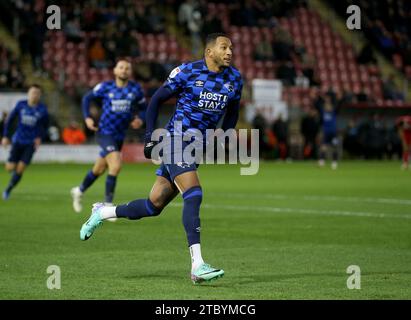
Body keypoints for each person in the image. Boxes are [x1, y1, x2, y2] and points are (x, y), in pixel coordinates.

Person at [78, 33, 243, 284]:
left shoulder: (235, 79)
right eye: (224, 47)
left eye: (231, 47)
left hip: (196, 148)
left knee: (153, 205)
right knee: (194, 193)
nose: (230, 52)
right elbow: (155, 100)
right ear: (209, 52)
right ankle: (197, 265)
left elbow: (232, 112)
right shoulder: (187, 72)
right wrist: (149, 137)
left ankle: (103, 212)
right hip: (175, 140)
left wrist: (224, 134)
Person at [70, 60, 146, 212]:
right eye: (121, 67)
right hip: (104, 132)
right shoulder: (105, 87)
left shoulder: (136, 89)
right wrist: (87, 117)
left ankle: (79, 191)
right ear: (115, 71)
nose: (124, 70)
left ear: (130, 72)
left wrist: (140, 119)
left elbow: (144, 107)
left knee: (99, 169)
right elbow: (86, 98)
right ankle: (108, 207)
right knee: (116, 165)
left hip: (120, 135)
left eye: (127, 68)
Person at [1, 84, 49, 200]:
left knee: (21, 168)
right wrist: (6, 136)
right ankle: (14, 175)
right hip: (18, 140)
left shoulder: (42, 109)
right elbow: (10, 120)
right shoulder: (20, 105)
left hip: (30, 143)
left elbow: (45, 126)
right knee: (9, 167)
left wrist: (40, 137)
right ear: (28, 94)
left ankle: (8, 189)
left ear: (40, 95)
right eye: (33, 92)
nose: (34, 95)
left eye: (37, 93)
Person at [317, 95, 340, 169]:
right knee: (323, 147)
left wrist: (337, 98)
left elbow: (338, 104)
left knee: (335, 147)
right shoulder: (323, 113)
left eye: (329, 106)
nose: (327, 107)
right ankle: (322, 161)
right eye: (326, 106)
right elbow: (318, 104)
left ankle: (334, 162)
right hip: (326, 133)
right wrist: (321, 98)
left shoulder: (334, 113)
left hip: (334, 134)